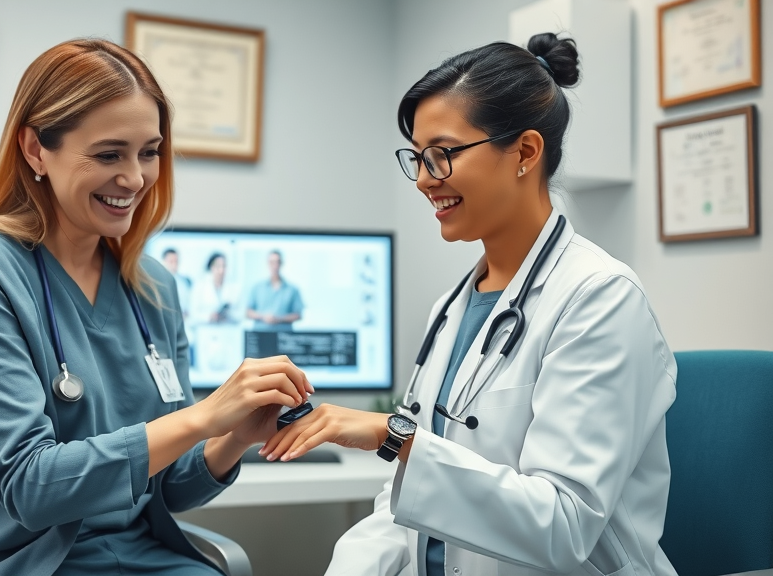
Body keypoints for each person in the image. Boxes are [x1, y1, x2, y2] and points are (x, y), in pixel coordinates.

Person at [261, 33, 677, 576]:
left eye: (442, 155)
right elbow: (402, 501)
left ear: (525, 152)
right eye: (417, 159)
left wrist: (394, 436)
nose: (425, 180)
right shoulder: (451, 310)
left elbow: (566, 525)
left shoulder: (599, 299)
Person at [0, 39, 311, 576]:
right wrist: (202, 415)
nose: (136, 178)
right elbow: (31, 487)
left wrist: (234, 434)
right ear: (34, 149)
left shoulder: (153, 288)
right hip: (5, 561)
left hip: (133, 557)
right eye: (109, 154)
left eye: (149, 151)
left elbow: (171, 485)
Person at [245, 250, 304, 331]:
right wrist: (263, 317)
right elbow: (248, 312)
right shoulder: (257, 288)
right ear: (268, 264)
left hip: (284, 336)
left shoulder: (293, 289)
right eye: (272, 262)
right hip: (261, 335)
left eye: (277, 262)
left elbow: (298, 315)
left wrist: (279, 319)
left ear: (281, 263)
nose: (275, 266)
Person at [189, 253, 240, 325]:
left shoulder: (233, 287)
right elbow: (193, 313)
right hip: (205, 330)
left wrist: (228, 315)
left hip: (227, 329)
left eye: (224, 266)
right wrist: (209, 316)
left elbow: (240, 314)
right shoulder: (200, 286)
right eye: (218, 266)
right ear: (211, 267)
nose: (221, 270)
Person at [162, 247, 192, 318]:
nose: (174, 265)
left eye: (176, 261)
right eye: (171, 261)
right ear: (164, 261)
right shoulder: (158, 281)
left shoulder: (185, 282)